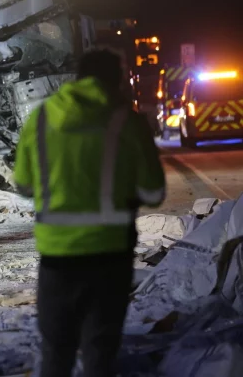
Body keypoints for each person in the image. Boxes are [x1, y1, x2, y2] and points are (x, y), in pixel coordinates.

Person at [13, 50, 165, 377]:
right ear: (117, 80)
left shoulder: (40, 118)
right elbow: (154, 193)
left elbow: (24, 185)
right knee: (100, 347)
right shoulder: (128, 120)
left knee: (56, 348)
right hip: (110, 255)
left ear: (77, 78)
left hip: (57, 254)